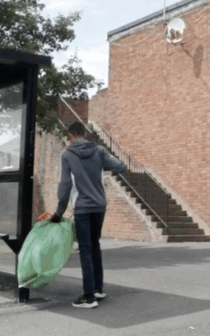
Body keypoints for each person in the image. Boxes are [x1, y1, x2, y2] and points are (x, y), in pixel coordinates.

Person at [50, 121, 126, 308]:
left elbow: (66, 184)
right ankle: (98, 289)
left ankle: (89, 297)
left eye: (68, 136)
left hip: (83, 207)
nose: (67, 139)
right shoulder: (99, 150)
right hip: (100, 206)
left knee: (85, 249)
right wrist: (97, 167)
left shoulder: (67, 154)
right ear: (84, 133)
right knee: (94, 246)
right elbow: (120, 166)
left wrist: (59, 212)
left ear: (71, 134)